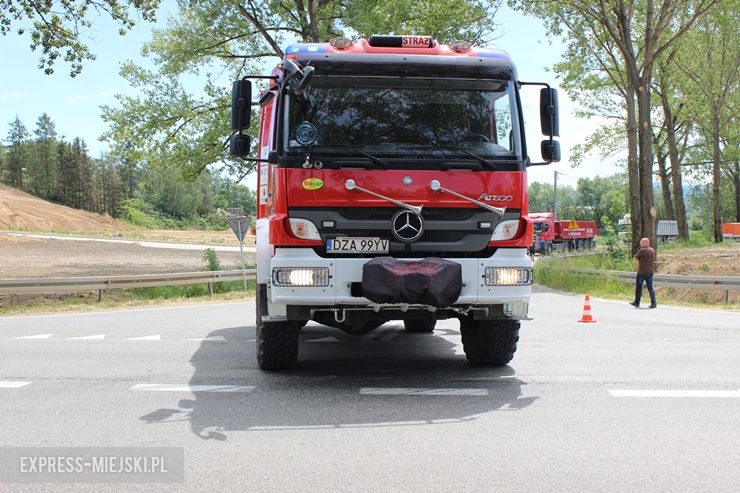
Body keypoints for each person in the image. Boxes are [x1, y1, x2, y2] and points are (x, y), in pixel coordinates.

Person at [630, 237, 657, 308]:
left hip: (642, 272)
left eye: (641, 242)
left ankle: (637, 302)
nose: (640, 244)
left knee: (639, 287)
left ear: (645, 243)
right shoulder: (652, 250)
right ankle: (654, 303)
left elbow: (635, 258)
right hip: (650, 272)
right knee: (650, 288)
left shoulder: (642, 250)